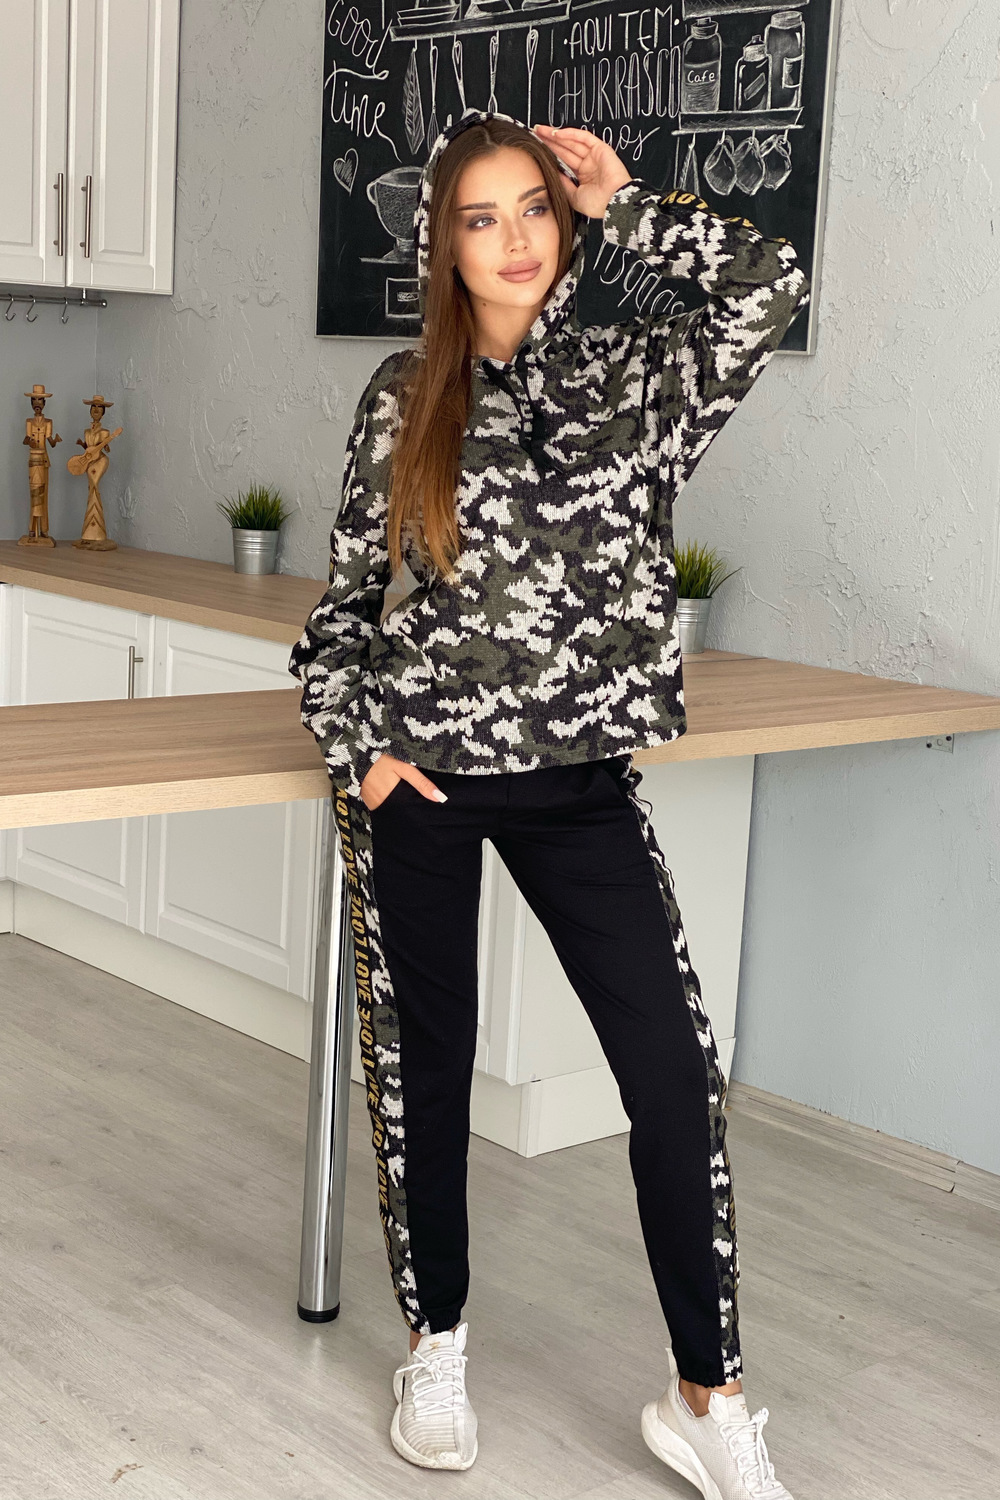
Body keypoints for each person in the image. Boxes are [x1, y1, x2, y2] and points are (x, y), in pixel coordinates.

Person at [289, 107, 809, 1499]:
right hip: (425, 777)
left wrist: (623, 201)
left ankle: (706, 1396)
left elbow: (770, 285)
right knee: (426, 1071)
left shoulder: (638, 377)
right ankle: (436, 1342)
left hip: (580, 787)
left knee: (674, 1079)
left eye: (534, 208)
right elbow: (343, 608)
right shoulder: (404, 394)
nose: (515, 239)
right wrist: (360, 743)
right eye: (482, 218)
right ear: (443, 247)